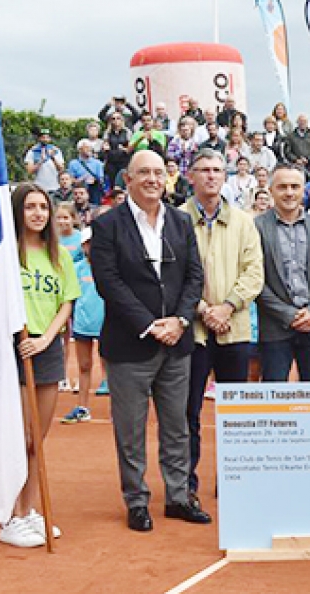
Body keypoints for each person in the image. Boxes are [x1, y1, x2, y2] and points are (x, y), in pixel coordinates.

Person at [92, 150, 210, 531]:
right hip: (130, 345)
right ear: (128, 178)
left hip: (177, 343)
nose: (152, 179)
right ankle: (136, 500)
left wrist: (178, 320)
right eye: (144, 172)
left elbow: (194, 277)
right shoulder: (108, 225)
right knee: (131, 430)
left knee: (177, 427)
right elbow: (109, 282)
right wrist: (149, 324)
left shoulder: (180, 221)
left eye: (159, 172)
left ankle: (177, 497)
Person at [0, 184, 80, 547]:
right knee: (19, 437)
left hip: (43, 349)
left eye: (42, 207)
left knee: (37, 439)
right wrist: (18, 335)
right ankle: (11, 516)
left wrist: (47, 338)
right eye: (30, 207)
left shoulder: (58, 255)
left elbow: (66, 302)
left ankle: (29, 510)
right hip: (11, 348)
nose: (38, 213)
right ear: (18, 212)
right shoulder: (6, 256)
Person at [181, 149, 264, 503]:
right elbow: (173, 275)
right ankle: (185, 484)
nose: (211, 176)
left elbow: (254, 272)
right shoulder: (176, 219)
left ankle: (232, 480)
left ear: (225, 176)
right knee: (188, 411)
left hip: (235, 329)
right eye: (204, 170)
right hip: (192, 332)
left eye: (217, 170)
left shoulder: (245, 222)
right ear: (190, 176)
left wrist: (227, 307)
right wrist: (203, 309)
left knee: (233, 411)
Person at [255, 164, 310, 381]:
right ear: (271, 190)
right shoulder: (256, 228)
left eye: (295, 186)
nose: (289, 193)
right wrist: (287, 314)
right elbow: (255, 279)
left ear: (304, 190)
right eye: (282, 187)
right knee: (274, 403)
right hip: (275, 328)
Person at [62, 227, 106, 424]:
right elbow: (70, 297)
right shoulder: (77, 267)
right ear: (83, 246)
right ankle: (82, 407)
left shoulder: (109, 267)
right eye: (88, 244)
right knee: (84, 366)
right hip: (82, 325)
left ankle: (118, 411)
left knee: (112, 368)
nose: (92, 247)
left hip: (107, 325)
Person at [68, 139, 106, 205]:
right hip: (79, 191)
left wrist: (94, 179)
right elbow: (70, 179)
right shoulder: (73, 163)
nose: (89, 149)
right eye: (87, 147)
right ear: (79, 150)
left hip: (94, 192)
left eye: (90, 147)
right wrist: (81, 180)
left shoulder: (98, 163)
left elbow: (101, 180)